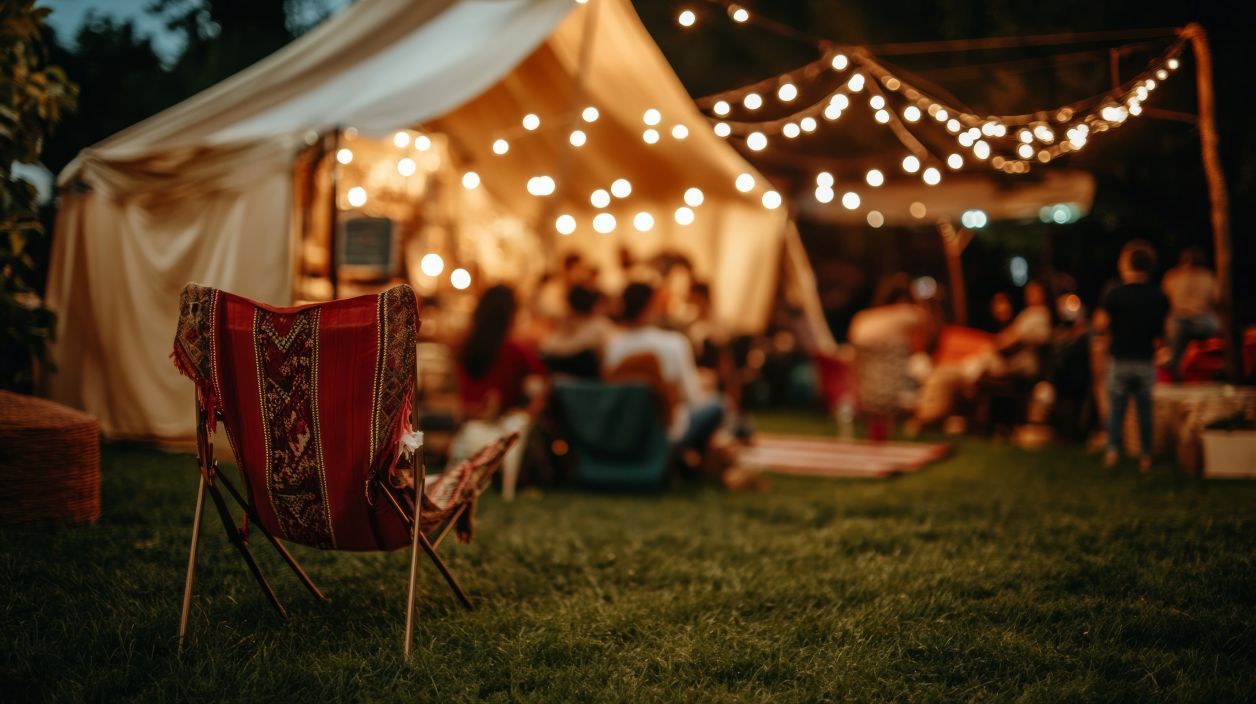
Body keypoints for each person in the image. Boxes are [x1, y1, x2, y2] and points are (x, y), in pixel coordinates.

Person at [604, 282, 724, 453]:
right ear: (651, 306)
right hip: (666, 430)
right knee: (717, 404)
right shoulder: (673, 343)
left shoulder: (612, 347)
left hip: (627, 431)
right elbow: (693, 398)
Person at [1095, 240, 1169, 472]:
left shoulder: (1115, 293)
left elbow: (1101, 324)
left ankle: (1113, 451)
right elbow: (1163, 331)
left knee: (1117, 409)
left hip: (1120, 358)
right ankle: (1145, 456)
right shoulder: (1158, 296)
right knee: (1144, 411)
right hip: (1146, 360)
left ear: (1125, 264)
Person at [848, 274, 930, 441]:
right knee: (922, 365)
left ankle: (876, 434)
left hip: (864, 388)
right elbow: (928, 322)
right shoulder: (907, 313)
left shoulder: (862, 318)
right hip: (892, 385)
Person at [1161, 246, 1220, 374]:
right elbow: (1165, 301)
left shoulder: (1207, 276)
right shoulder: (1173, 276)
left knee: (1213, 327)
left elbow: (1217, 300)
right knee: (1174, 328)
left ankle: (1214, 368)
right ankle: (1174, 368)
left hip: (1201, 317)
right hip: (1180, 318)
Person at [540, 284, 614, 379]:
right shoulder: (599, 328)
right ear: (593, 305)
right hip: (590, 388)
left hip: (563, 388)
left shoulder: (555, 335)